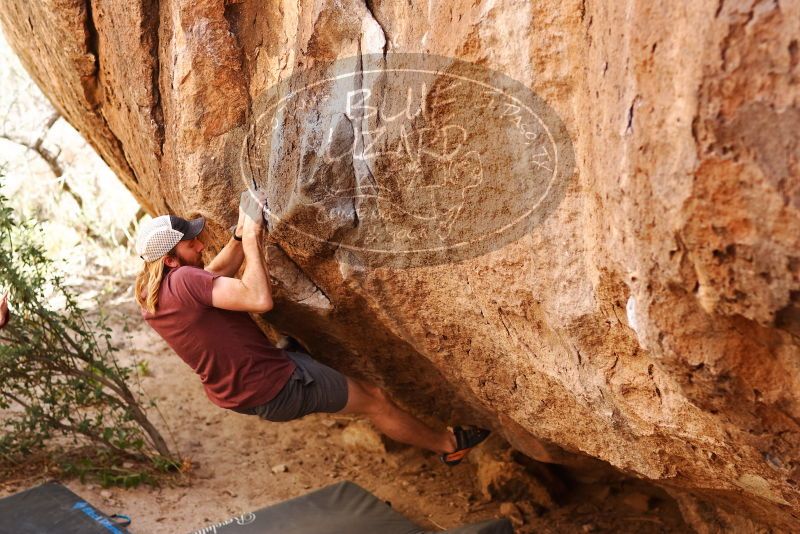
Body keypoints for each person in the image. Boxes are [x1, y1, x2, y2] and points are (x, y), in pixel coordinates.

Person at [134, 190, 489, 465]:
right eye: (190, 244)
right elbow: (259, 299)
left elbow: (212, 275)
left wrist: (240, 236)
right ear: (169, 260)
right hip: (277, 386)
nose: (199, 245)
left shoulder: (154, 294)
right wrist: (255, 237)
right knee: (375, 400)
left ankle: (297, 357)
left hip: (247, 390)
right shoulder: (185, 281)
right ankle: (449, 446)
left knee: (300, 348)